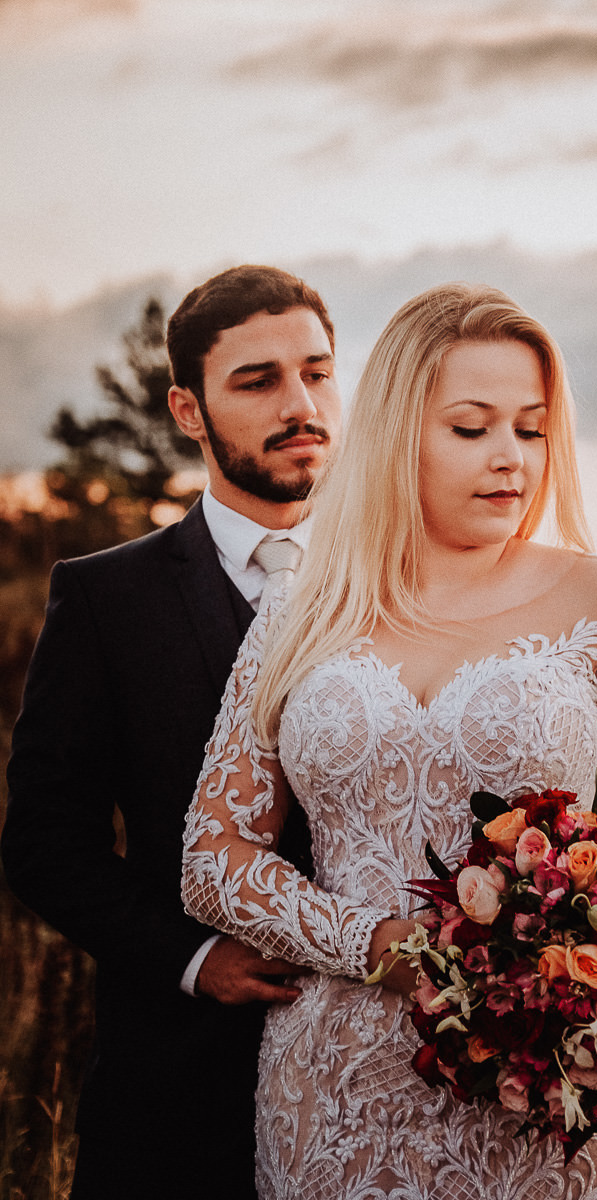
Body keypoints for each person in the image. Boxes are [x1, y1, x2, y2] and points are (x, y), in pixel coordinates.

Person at [182, 282, 597, 1200]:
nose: (510, 461)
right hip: (331, 1095)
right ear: (398, 432)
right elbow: (215, 857)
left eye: (530, 430)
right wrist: (376, 944)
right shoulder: (303, 607)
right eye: (472, 428)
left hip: (539, 1107)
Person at [2, 265, 342, 1200]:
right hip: (182, 1094)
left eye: (317, 372)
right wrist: (195, 961)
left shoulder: (403, 587)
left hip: (385, 1078)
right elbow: (43, 842)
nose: (300, 403)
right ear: (187, 411)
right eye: (258, 380)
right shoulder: (106, 597)